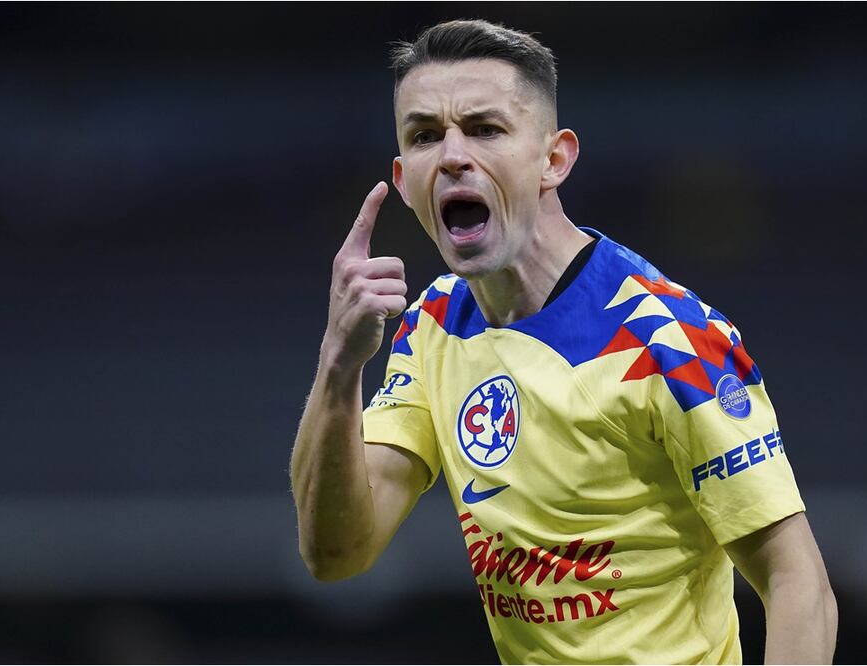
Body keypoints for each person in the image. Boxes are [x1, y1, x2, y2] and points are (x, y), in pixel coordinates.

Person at [290, 19, 837, 665]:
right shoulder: (433, 323)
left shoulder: (665, 339)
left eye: (485, 130)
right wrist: (339, 364)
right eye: (424, 136)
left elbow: (798, 584)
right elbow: (337, 553)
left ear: (553, 159)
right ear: (405, 177)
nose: (452, 155)